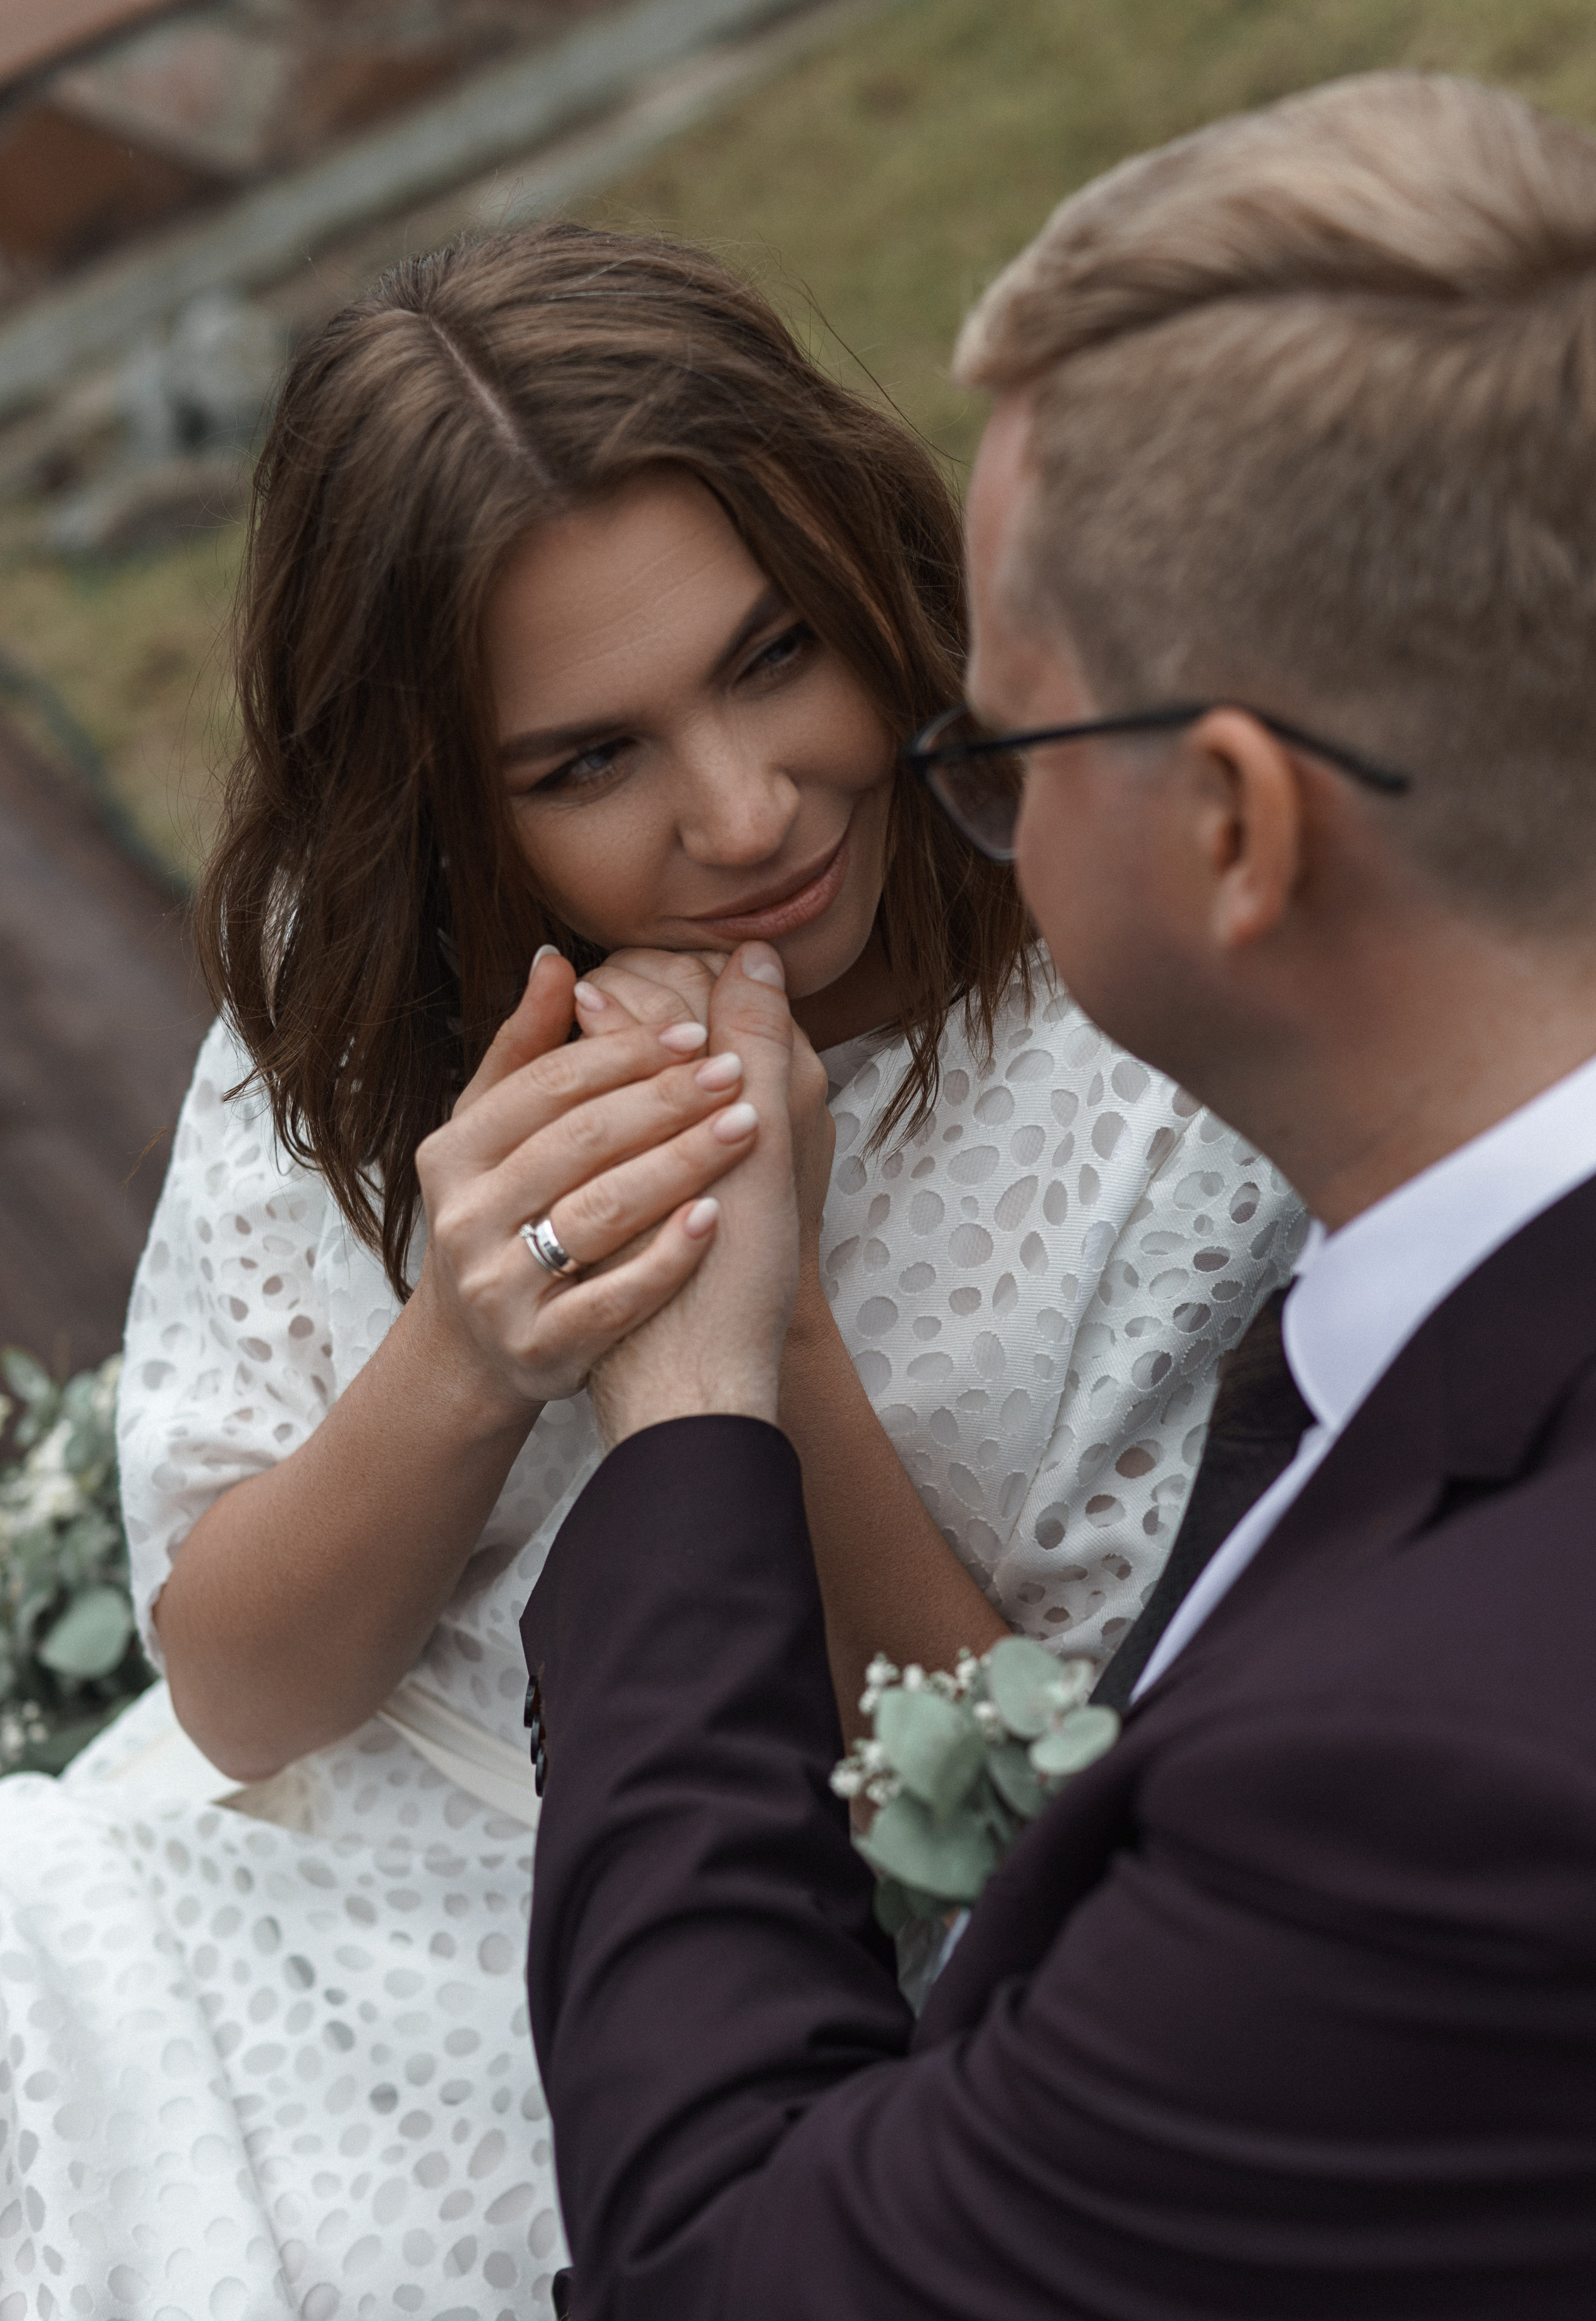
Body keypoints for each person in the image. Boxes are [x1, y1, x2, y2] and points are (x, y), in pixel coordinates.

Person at [0, 226, 1295, 2308]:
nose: (748, 807)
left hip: (701, 2065)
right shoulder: (362, 1012)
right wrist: (462, 1351)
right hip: (212, 1928)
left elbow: (1036, 1837)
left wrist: (766, 1335)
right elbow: (240, 1703)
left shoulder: (1150, 1051)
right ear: (443, 812)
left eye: (779, 651)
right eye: (588, 763)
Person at [519, 72, 1596, 2317]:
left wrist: (693, 1412)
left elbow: (744, 2279)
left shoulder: (1425, 1789)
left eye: (999, 747)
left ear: (1230, 826)